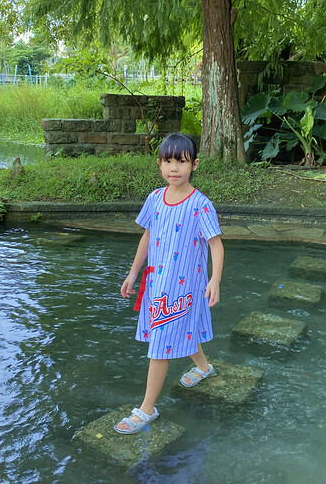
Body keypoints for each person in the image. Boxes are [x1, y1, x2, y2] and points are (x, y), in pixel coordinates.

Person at [115, 132, 224, 434]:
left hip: (184, 286)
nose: (174, 168)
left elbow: (216, 244)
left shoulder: (200, 205)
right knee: (177, 330)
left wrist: (215, 279)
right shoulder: (154, 199)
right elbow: (147, 236)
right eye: (168, 161)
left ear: (194, 165)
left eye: (181, 161)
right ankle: (204, 367)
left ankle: (146, 409)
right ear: (160, 164)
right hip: (157, 282)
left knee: (160, 345)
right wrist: (134, 273)